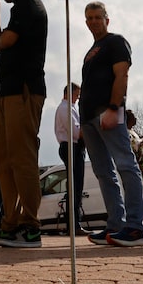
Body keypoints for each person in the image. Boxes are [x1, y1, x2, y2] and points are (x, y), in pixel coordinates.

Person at [0, 0, 48, 249]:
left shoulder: (27, 4)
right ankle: (10, 224)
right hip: (6, 91)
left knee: (22, 159)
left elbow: (0, 43)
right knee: (4, 162)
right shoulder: (12, 8)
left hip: (24, 89)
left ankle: (30, 227)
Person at [80, 1, 143, 247]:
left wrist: (113, 108)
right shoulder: (91, 50)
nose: (94, 21)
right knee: (103, 173)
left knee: (126, 165)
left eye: (98, 17)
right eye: (89, 18)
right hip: (88, 120)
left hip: (109, 112)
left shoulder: (116, 41)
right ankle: (116, 225)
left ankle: (136, 228)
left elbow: (122, 75)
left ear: (107, 19)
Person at [54, 82, 87, 235]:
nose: (77, 98)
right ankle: (73, 225)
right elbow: (76, 132)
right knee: (75, 186)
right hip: (71, 147)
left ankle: (74, 224)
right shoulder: (64, 108)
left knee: (77, 186)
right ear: (68, 93)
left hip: (75, 147)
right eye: (75, 95)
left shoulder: (71, 107)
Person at [126, 110, 143, 185]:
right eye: (133, 117)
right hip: (136, 167)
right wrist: (141, 141)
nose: (136, 118)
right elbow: (133, 146)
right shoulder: (126, 133)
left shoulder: (133, 131)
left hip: (142, 168)